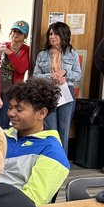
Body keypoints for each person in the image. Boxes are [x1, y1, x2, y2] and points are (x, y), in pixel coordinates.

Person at [0, 79, 69, 205]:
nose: (11, 113)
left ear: (41, 113)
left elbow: (33, 200)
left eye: (19, 110)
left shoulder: (51, 151)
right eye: (10, 107)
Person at [32, 22, 81, 155]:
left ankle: (62, 159)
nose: (52, 37)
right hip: (47, 92)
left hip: (66, 91)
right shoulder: (42, 54)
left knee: (64, 128)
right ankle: (51, 157)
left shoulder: (72, 53)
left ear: (63, 35)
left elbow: (78, 75)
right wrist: (52, 76)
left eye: (56, 34)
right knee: (50, 128)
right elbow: (35, 76)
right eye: (50, 34)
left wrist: (65, 73)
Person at [0, 19, 31, 128]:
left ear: (25, 35)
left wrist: (9, 53)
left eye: (20, 32)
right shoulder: (1, 45)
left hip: (11, 92)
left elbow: (21, 68)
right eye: (14, 31)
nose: (16, 34)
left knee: (4, 121)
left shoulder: (26, 50)